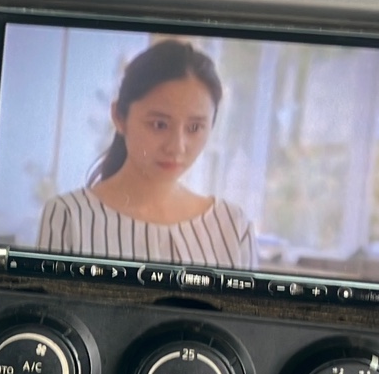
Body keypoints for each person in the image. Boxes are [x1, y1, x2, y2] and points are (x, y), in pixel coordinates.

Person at [37, 39, 255, 268]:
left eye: (194, 127)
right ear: (119, 117)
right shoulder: (69, 216)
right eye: (159, 125)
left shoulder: (233, 227)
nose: (177, 147)